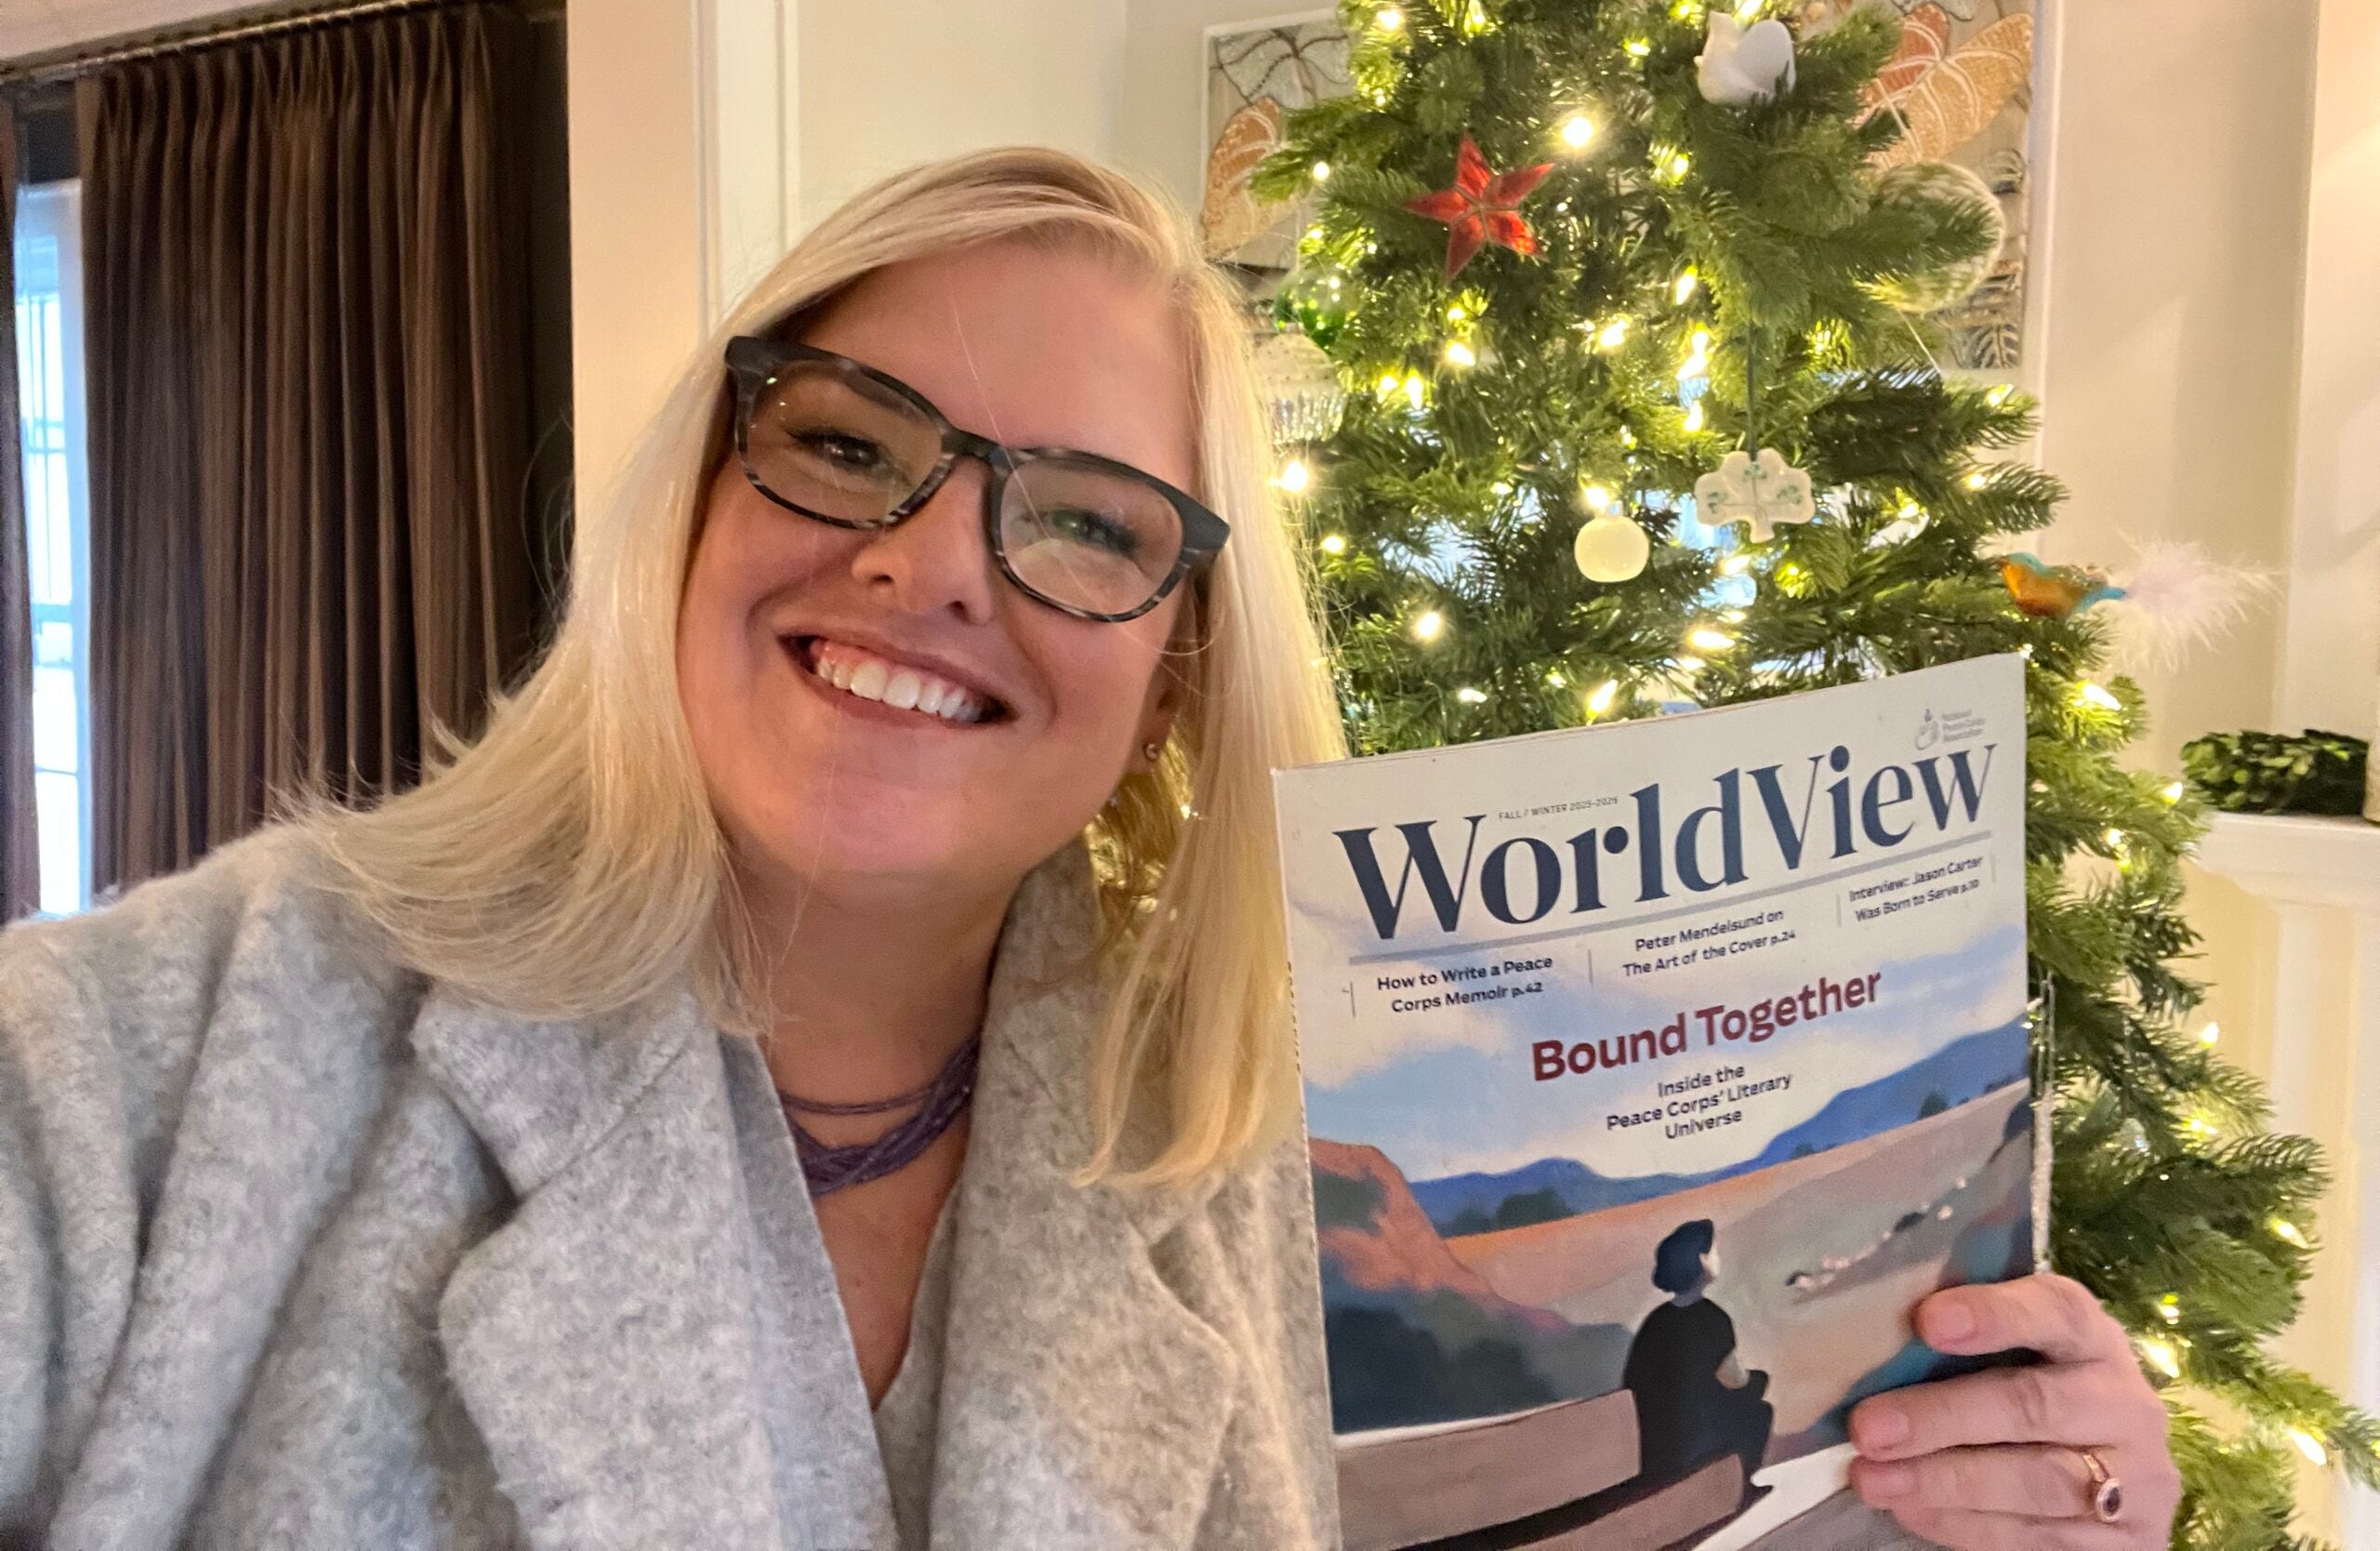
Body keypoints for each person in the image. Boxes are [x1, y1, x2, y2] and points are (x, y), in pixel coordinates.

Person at [0, 148, 2181, 1551]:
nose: (931, 563)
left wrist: (2006, 1498)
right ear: (691, 496)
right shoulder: (137, 1079)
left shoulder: (1272, 1177)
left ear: (1173, 669)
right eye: (845, 443)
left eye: (1083, 522)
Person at [1623, 1220, 1772, 1505]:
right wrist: (1760, 1379)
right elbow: (1736, 1382)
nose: (1717, 1257)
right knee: (1759, 1409)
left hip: (1654, 1448)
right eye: (1714, 1251)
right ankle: (1741, 1490)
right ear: (1702, 1260)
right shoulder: (1712, 1318)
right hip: (1692, 1447)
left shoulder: (1655, 1322)